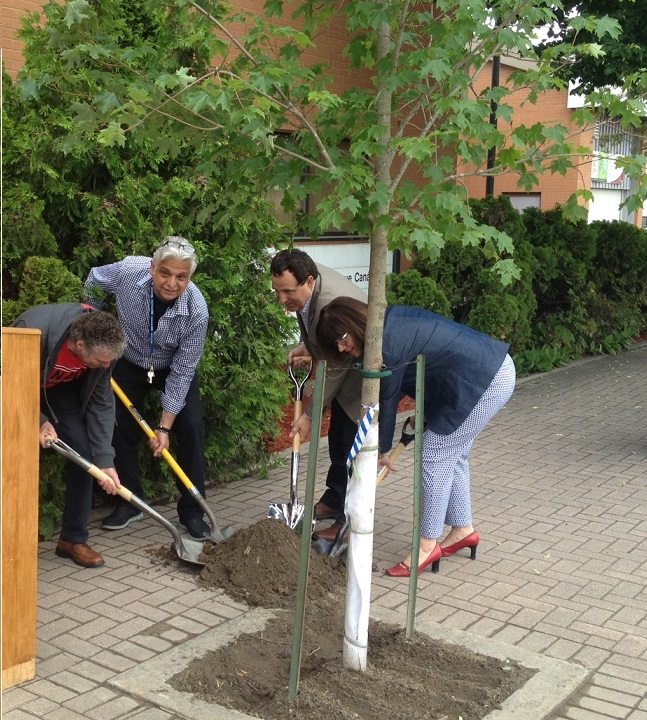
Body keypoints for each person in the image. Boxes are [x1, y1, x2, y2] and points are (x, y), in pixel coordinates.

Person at [316, 297, 516, 577]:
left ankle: (426, 544)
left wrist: (381, 450)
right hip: (482, 373)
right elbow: (430, 368)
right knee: (453, 452)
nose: (341, 347)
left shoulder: (387, 345)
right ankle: (463, 529)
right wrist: (425, 414)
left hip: (485, 379)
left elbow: (388, 397)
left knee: (435, 452)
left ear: (353, 323)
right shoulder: (387, 326)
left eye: (341, 338)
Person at [84, 236, 211, 538]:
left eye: (182, 277)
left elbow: (183, 372)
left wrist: (164, 429)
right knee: (114, 422)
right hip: (129, 359)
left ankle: (193, 511)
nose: (171, 283)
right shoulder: (129, 271)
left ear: (189, 277)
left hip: (170, 367)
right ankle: (131, 502)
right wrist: (95, 318)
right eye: (165, 273)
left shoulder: (197, 310)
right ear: (153, 268)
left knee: (191, 425)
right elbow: (94, 279)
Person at [13, 304, 127, 568]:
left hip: (58, 392)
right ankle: (13, 542)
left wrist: (105, 460)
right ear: (78, 343)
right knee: (18, 457)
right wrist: (39, 421)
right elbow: (7, 381)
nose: (106, 365)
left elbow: (101, 403)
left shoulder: (105, 350)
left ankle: (72, 540)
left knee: (83, 455)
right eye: (100, 360)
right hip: (16, 387)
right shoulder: (33, 332)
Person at [270, 249, 367, 527]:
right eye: (277, 291)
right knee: (338, 441)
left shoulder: (329, 302)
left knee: (350, 445)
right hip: (343, 365)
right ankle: (335, 500)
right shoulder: (307, 286)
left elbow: (335, 366)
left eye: (288, 292)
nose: (282, 299)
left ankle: (349, 520)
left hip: (358, 377)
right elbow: (312, 322)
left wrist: (310, 416)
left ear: (309, 281)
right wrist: (309, 346)